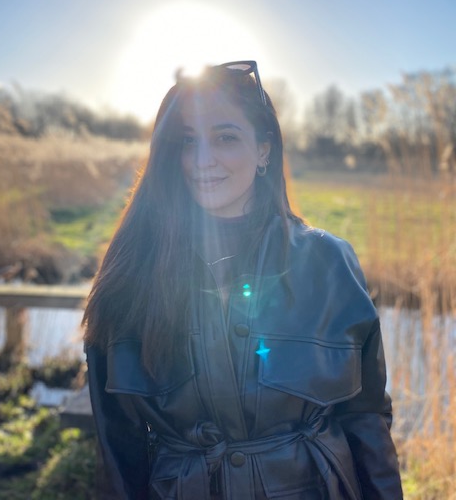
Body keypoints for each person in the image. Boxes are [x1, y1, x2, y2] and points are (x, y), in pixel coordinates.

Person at [83, 61, 403, 499]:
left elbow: (366, 417)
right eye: (188, 141)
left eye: (226, 138)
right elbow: (117, 444)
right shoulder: (131, 272)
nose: (202, 160)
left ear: (264, 150)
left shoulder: (329, 263)